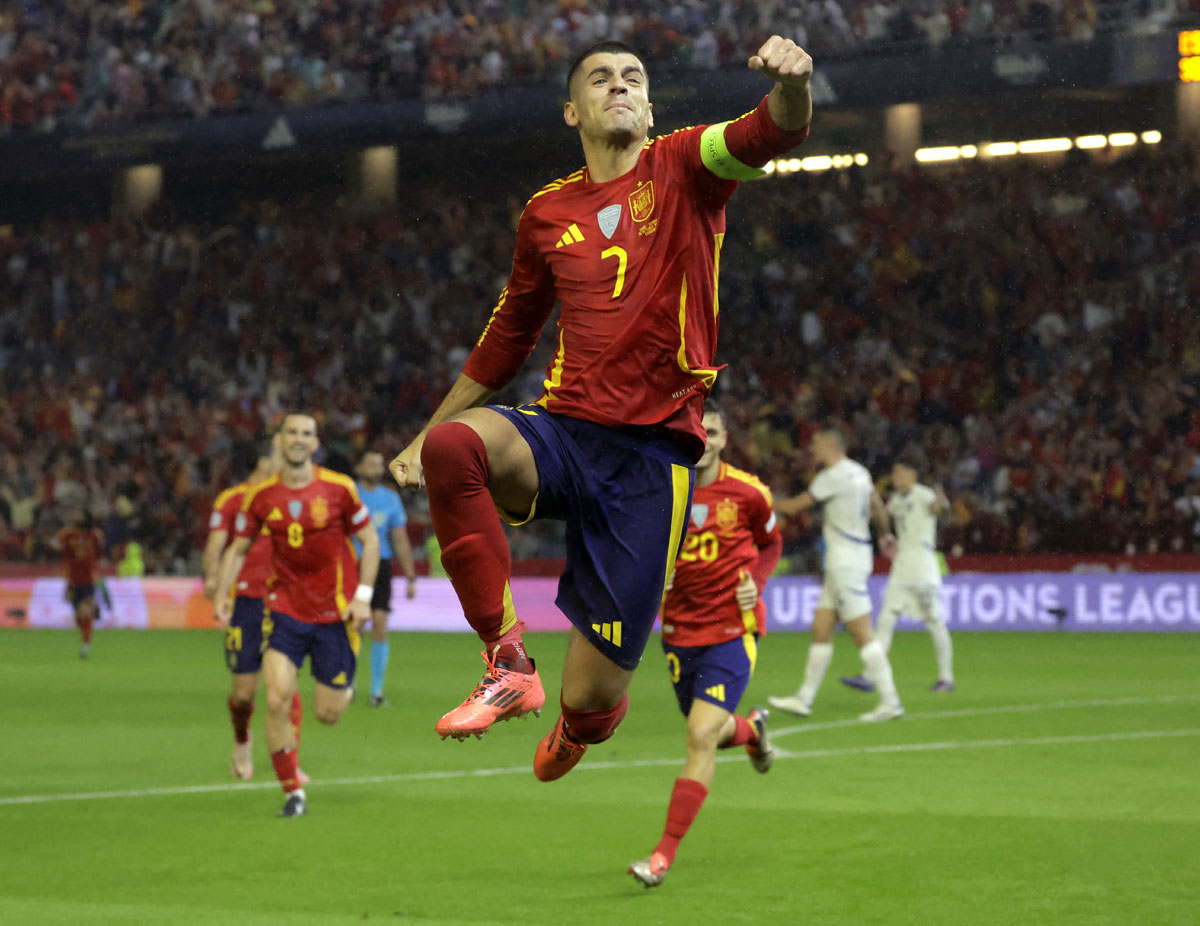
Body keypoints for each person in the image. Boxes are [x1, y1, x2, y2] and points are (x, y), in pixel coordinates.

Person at [389, 36, 813, 783]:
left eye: (633, 78)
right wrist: (423, 432)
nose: (618, 86)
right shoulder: (547, 213)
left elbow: (769, 132)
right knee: (454, 448)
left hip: (652, 461)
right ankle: (507, 661)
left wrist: (793, 85)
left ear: (649, 107)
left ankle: (581, 725)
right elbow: (507, 339)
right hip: (566, 431)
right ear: (571, 110)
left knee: (590, 699)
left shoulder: (684, 164)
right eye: (600, 78)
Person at [629, 400, 782, 888]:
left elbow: (772, 543)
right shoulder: (658, 490)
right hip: (677, 633)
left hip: (733, 631)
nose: (704, 440)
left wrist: (755, 582)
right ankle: (753, 732)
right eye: (697, 432)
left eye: (712, 433)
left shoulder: (749, 493)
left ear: (723, 438)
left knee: (698, 737)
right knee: (709, 730)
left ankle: (661, 856)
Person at [215, 414, 380, 817]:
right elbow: (238, 548)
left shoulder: (339, 489)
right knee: (275, 697)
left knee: (329, 714)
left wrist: (362, 597)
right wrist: (223, 593)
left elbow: (370, 539)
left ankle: (343, 684)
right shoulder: (261, 497)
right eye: (292, 433)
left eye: (306, 433)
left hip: (333, 615)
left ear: (315, 442)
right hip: (284, 611)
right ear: (280, 440)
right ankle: (292, 790)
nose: (299, 439)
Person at [768, 424, 905, 722]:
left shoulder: (832, 477)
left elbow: (795, 507)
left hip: (845, 562)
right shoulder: (860, 472)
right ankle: (804, 698)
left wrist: (759, 500)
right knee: (821, 628)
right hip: (850, 558)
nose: (811, 450)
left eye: (815, 445)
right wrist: (884, 535)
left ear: (832, 446)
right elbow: (877, 506)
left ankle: (891, 702)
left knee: (861, 632)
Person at [202, 437, 305, 780]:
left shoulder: (291, 496)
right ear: (262, 462)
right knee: (244, 693)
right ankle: (242, 739)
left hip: (284, 600)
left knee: (284, 687)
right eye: (277, 453)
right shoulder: (232, 500)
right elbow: (216, 545)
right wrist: (214, 584)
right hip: (245, 601)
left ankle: (291, 763)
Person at [841, 452, 954, 693]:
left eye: (899, 472)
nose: (895, 477)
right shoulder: (896, 499)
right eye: (894, 473)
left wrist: (942, 502)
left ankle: (946, 677)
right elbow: (883, 517)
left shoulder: (923, 494)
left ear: (912, 474)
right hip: (902, 564)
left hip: (923, 564)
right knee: (885, 620)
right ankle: (869, 675)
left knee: (934, 621)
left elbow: (939, 509)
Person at [354, 449, 417, 707]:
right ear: (359, 468)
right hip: (350, 564)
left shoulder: (390, 499)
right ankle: (345, 682)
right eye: (370, 462)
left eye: (379, 464)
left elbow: (400, 538)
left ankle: (376, 691)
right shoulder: (348, 495)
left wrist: (411, 576)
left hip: (380, 566)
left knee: (379, 623)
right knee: (352, 624)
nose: (376, 468)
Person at [52, 510, 105, 659]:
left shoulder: (95, 535)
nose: (76, 516)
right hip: (72, 580)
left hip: (89, 579)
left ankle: (86, 645)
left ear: (87, 517)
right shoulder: (67, 534)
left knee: (85, 611)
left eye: (79, 514)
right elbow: (54, 545)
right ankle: (85, 637)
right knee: (78, 615)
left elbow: (100, 552)